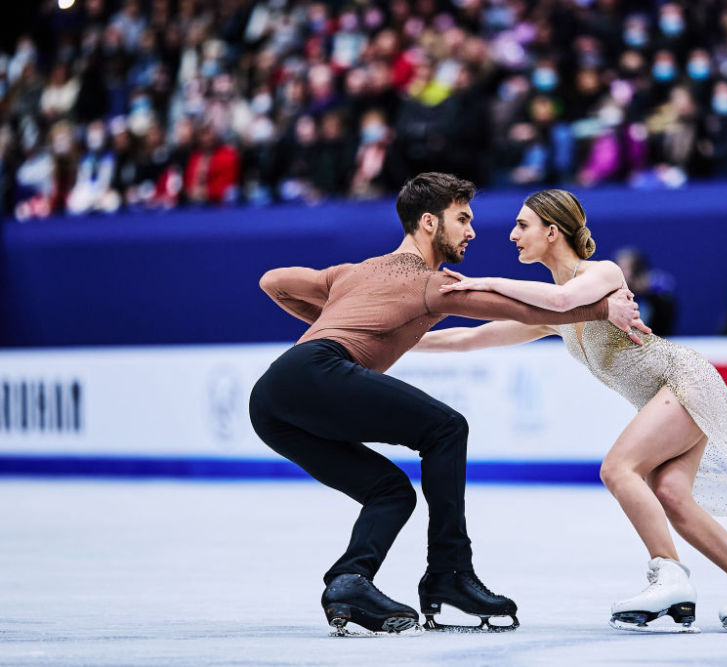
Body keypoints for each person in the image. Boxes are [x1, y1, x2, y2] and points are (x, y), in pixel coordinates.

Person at [414, 189, 727, 632]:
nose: (512, 235)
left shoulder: (602, 273)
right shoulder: (551, 312)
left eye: (522, 226)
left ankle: (669, 576)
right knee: (673, 496)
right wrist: (389, 345)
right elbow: (467, 338)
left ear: (552, 232)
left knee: (618, 468)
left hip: (683, 381)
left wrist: (483, 282)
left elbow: (565, 300)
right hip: (669, 394)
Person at [248, 173, 645, 635]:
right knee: (446, 428)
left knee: (390, 492)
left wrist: (334, 320)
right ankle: (449, 575)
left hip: (271, 401)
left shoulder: (352, 273)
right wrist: (600, 311)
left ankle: (349, 580)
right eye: (462, 219)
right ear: (429, 224)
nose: (472, 231)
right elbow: (524, 311)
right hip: (318, 371)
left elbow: (273, 280)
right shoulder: (431, 284)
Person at [614, 247, 678, 337]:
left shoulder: (659, 294)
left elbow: (663, 328)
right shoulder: (618, 294)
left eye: (623, 268)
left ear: (637, 270)